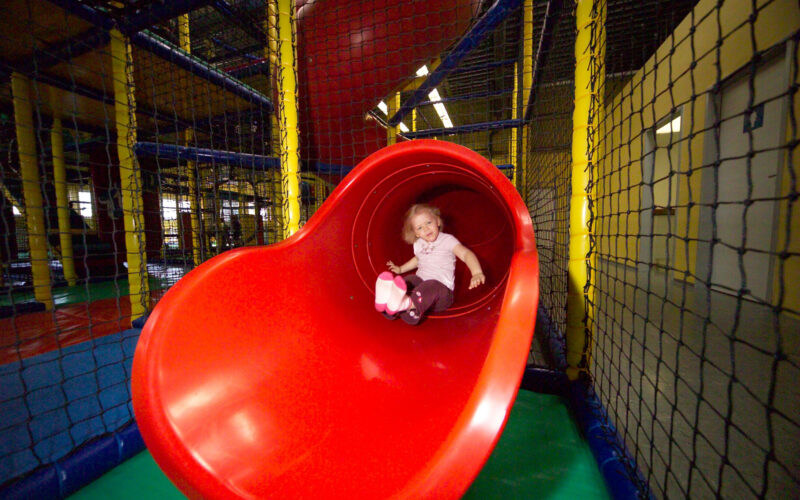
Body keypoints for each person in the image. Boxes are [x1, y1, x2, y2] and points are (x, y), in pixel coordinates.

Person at [374, 203, 485, 325]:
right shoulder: (418, 244)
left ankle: (411, 308)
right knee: (410, 280)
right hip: (421, 288)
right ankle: (390, 304)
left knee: (431, 285)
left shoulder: (447, 240)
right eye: (420, 228)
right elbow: (417, 260)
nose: (426, 229)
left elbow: (466, 254)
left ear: (437, 221)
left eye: (428, 223)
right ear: (416, 233)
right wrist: (401, 269)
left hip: (442, 294)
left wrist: (477, 272)